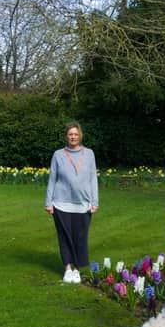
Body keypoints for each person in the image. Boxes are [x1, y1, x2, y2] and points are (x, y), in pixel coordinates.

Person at [45, 121, 99, 284]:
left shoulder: (89, 154)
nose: (73, 137)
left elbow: (92, 179)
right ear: (66, 137)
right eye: (70, 134)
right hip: (61, 204)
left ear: (80, 135)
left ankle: (77, 269)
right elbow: (52, 179)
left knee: (80, 237)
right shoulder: (58, 155)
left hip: (83, 204)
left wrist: (94, 201)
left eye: (75, 134)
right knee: (65, 237)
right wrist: (48, 202)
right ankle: (68, 269)